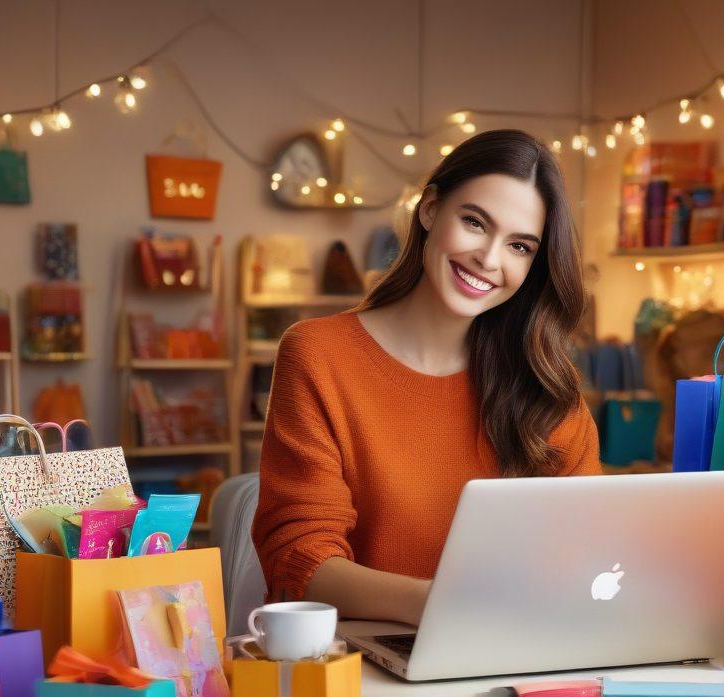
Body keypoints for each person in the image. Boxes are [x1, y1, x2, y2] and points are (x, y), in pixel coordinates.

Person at [252, 129, 601, 626]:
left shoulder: (543, 383)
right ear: (431, 209)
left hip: (516, 653)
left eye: (520, 246)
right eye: (475, 222)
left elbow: (588, 550)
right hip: (367, 668)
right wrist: (439, 605)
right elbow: (299, 558)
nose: (490, 259)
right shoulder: (319, 354)